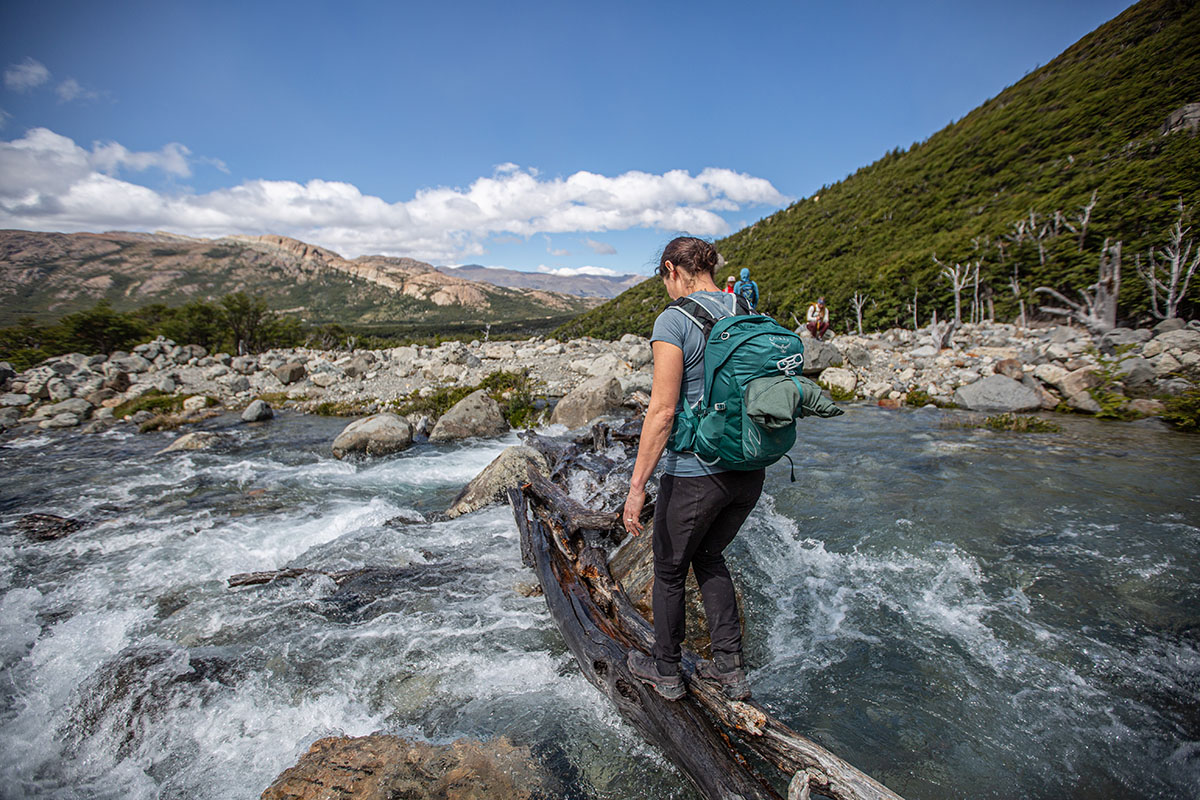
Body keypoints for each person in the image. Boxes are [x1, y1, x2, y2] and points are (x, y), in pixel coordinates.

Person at [623, 236, 763, 702]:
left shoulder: (674, 319)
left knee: (668, 569)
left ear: (671, 269)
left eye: (663, 279)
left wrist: (637, 486)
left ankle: (665, 672)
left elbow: (662, 411)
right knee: (709, 556)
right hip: (749, 467)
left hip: (697, 470)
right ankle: (732, 671)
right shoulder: (743, 307)